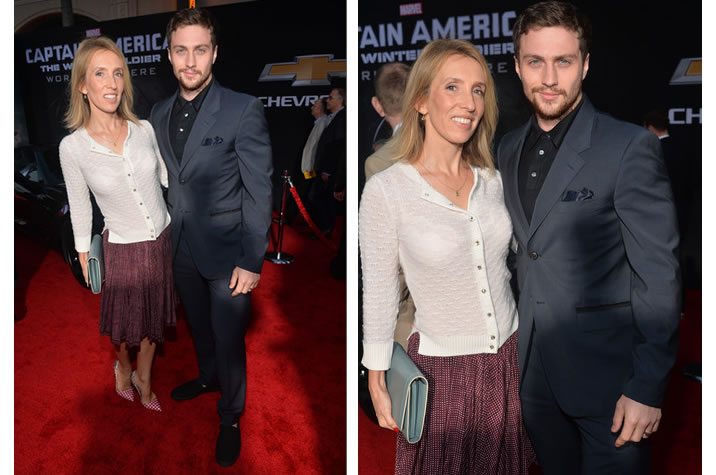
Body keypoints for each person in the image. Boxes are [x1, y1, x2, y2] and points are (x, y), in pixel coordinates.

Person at [497, 2, 681, 474]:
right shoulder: (507, 147)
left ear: (585, 64)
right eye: (535, 61)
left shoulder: (627, 146)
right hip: (532, 377)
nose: (549, 78)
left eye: (563, 61)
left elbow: (658, 275)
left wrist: (647, 386)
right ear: (517, 66)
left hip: (611, 383)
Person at [360, 38, 534, 474]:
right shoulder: (387, 189)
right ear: (421, 101)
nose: (469, 103)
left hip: (509, 361)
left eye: (478, 90)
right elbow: (380, 291)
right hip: (442, 374)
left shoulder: (492, 180)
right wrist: (376, 375)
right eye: (452, 87)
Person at [149, 8, 273, 467]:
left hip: (228, 253)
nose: (190, 61)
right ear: (169, 55)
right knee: (198, 327)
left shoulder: (242, 109)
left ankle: (231, 416)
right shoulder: (158, 113)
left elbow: (259, 189)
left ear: (214, 53)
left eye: (199, 50)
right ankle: (206, 378)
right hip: (179, 246)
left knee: (229, 339)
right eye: (181, 50)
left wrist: (252, 259)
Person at [59, 36, 175, 412]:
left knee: (153, 323)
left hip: (161, 239)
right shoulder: (73, 148)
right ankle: (123, 368)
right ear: (82, 85)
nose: (111, 83)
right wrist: (82, 253)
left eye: (118, 73)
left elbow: (166, 179)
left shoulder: (144, 129)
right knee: (125, 330)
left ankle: (145, 380)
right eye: (100, 74)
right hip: (122, 248)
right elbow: (80, 206)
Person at [362, 62, 414, 351]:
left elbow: (385, 253)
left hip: (410, 310)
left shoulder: (379, 163)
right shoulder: (457, 142)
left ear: (377, 105)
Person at [310, 87, 346, 237]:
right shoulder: (334, 117)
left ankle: (325, 230)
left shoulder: (342, 117)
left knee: (322, 199)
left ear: (340, 100)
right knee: (320, 198)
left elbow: (337, 146)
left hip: (331, 170)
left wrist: (328, 170)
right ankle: (323, 229)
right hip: (326, 168)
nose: (327, 100)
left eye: (330, 98)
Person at [300, 96, 329, 180]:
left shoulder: (323, 122)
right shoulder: (319, 123)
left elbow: (315, 146)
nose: (311, 108)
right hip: (310, 169)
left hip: (312, 170)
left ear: (320, 109)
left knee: (312, 185)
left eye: (314, 106)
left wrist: (310, 169)